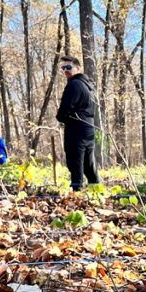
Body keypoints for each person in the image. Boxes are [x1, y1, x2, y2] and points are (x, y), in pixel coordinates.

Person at [55, 56, 100, 191]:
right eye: (63, 68)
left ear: (78, 68)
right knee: (88, 160)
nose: (66, 71)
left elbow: (66, 107)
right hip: (89, 127)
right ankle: (95, 188)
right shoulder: (88, 85)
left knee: (75, 159)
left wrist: (61, 117)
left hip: (76, 127)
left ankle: (77, 190)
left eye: (69, 67)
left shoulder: (74, 84)